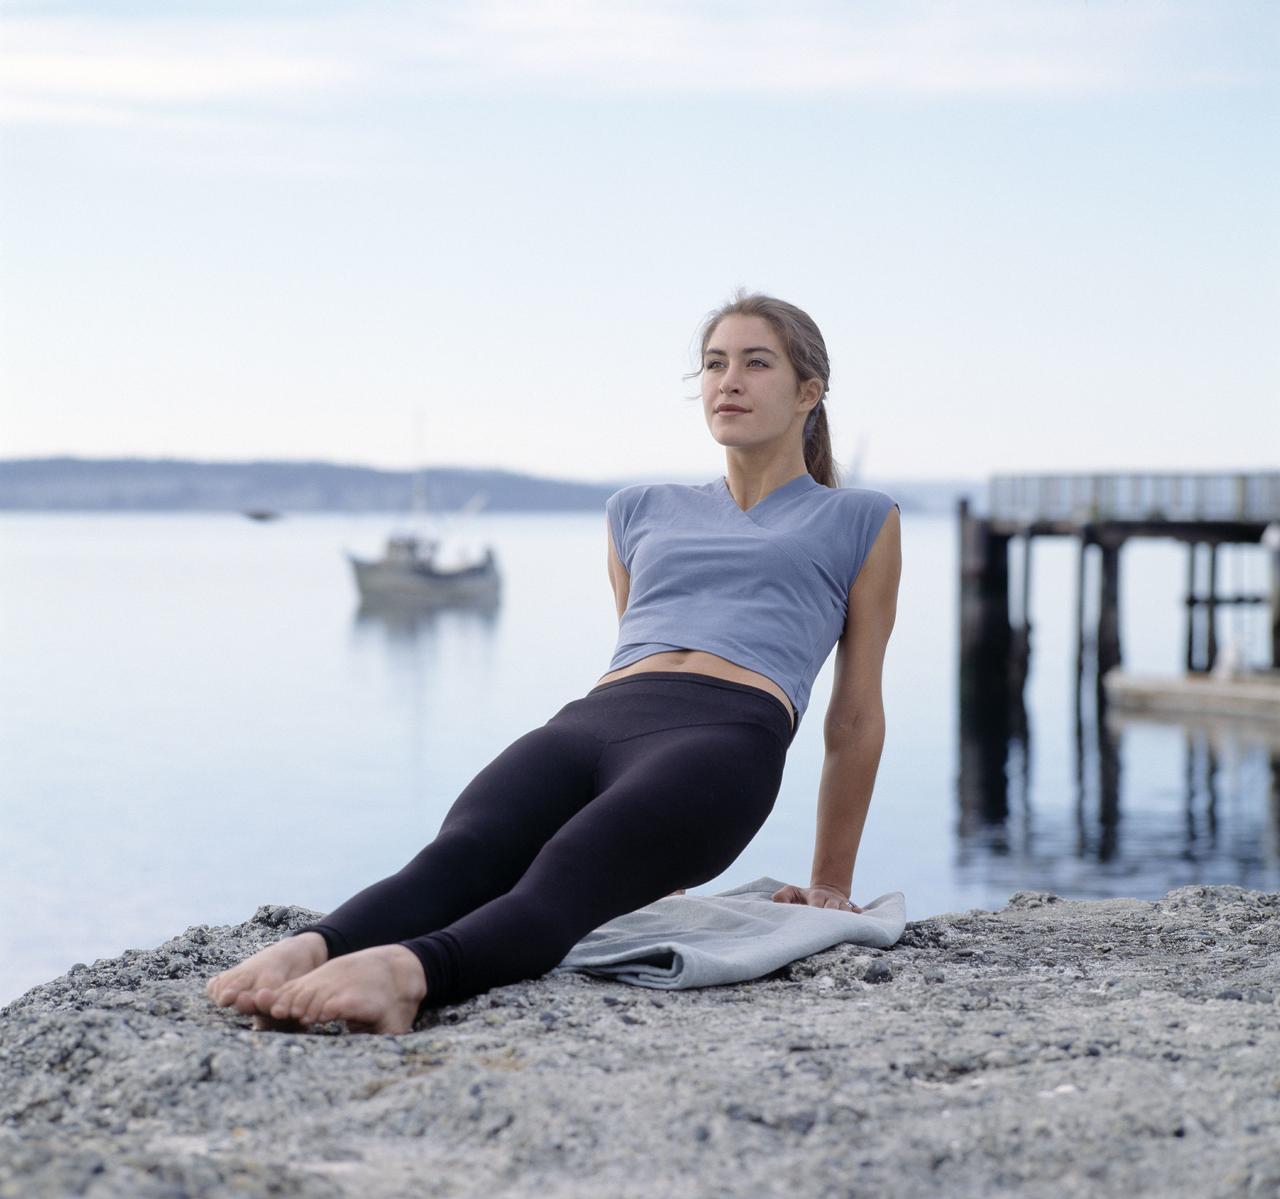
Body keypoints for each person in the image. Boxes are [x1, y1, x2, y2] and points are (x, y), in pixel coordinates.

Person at [205, 288, 902, 1035]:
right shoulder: (638, 508)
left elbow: (855, 710)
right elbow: (632, 640)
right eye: (713, 363)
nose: (727, 381)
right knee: (460, 855)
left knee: (567, 872)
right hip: (595, 721)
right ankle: (313, 948)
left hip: (726, 737)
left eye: (755, 363)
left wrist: (831, 881)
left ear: (808, 391)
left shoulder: (859, 519)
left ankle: (407, 975)